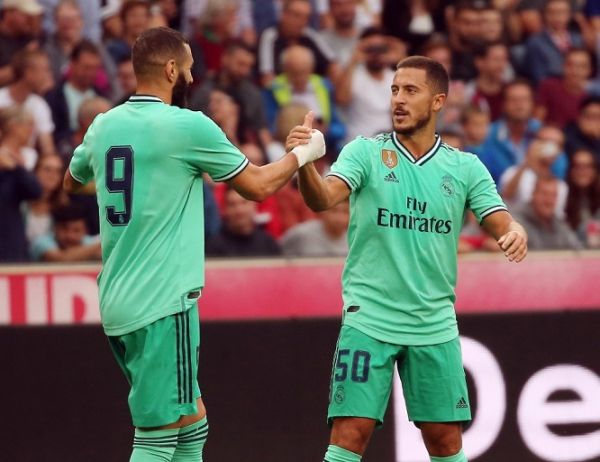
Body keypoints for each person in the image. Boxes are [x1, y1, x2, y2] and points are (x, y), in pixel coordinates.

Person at [63, 26, 325, 462]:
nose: (191, 76)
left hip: (119, 298)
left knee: (191, 421)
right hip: (163, 301)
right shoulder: (187, 126)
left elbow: (72, 183)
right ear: (170, 70)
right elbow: (258, 187)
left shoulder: (104, 125)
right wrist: (305, 154)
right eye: (187, 68)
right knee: (156, 435)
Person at [286, 55, 528, 462]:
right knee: (350, 433)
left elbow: (500, 220)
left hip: (433, 322)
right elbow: (322, 199)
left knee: (446, 441)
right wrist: (306, 164)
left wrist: (515, 233)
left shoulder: (465, 167)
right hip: (370, 318)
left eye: (410, 91)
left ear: (438, 102)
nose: (398, 99)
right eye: (395, 90)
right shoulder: (364, 153)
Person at [0, 108, 42, 262]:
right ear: (13, 127)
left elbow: (35, 191)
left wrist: (16, 167)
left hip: (15, 229)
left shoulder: (27, 156)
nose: (32, 131)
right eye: (28, 125)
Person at [0, 49, 56, 157]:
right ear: (28, 72)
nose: (48, 75)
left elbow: (48, 149)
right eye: (45, 70)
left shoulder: (40, 105)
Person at [206, 186, 282, 257]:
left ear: (254, 205)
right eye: (232, 204)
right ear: (225, 210)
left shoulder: (268, 244)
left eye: (244, 203)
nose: (239, 210)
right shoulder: (214, 247)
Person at [512, 176, 583, 250]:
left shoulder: (558, 223)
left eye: (553, 195)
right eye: (545, 194)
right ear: (533, 194)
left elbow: (578, 249)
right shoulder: (516, 221)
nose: (549, 201)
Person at [30, 203, 102, 261]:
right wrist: (101, 244)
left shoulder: (90, 242)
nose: (70, 236)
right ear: (55, 229)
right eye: (64, 229)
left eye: (76, 230)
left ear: (85, 231)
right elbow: (61, 259)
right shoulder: (41, 242)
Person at [280, 199, 349, 257]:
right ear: (323, 211)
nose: (339, 218)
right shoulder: (302, 233)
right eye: (334, 211)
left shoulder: (353, 240)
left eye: (345, 212)